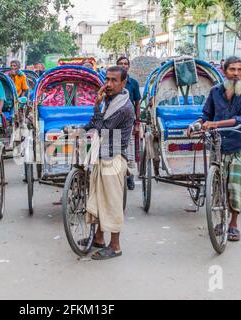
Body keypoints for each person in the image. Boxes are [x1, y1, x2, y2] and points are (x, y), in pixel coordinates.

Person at [187, 56, 241, 241]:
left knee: (235, 186)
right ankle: (219, 219)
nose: (236, 74)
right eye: (232, 69)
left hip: (237, 143)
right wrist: (196, 125)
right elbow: (206, 115)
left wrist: (216, 124)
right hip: (217, 145)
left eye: (240, 70)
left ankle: (233, 224)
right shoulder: (215, 91)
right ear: (224, 71)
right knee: (218, 185)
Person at [82, 66, 135, 260]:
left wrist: (96, 105)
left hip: (114, 157)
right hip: (102, 154)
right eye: (107, 80)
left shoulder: (123, 107)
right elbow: (95, 122)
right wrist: (79, 128)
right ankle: (98, 238)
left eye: (114, 80)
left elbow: (102, 127)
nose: (109, 84)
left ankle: (115, 245)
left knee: (112, 203)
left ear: (123, 83)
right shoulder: (110, 101)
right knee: (97, 199)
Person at [116, 56, 141, 191]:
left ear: (129, 66)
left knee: (129, 152)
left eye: (126, 64)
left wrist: (137, 123)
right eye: (121, 64)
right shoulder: (111, 82)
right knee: (114, 151)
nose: (124, 65)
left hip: (129, 121)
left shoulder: (134, 83)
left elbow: (137, 103)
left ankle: (129, 175)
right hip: (113, 121)